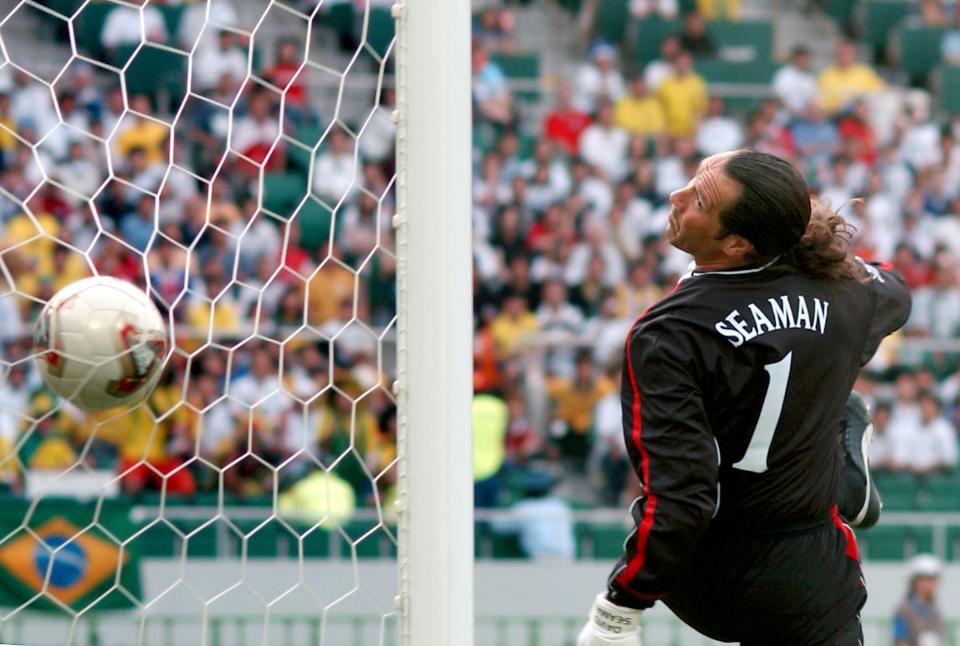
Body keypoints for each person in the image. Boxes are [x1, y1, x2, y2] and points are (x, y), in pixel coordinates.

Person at [576, 150, 912, 645]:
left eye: (698, 199)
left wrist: (619, 609)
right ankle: (841, 475)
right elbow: (897, 292)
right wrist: (814, 250)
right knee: (815, 372)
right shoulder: (848, 293)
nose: (676, 195)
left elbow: (683, 499)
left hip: (711, 579)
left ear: (735, 243)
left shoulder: (669, 332)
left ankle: (841, 468)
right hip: (812, 576)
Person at [893, 554, 948, 646]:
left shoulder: (934, 609)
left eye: (934, 580)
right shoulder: (904, 610)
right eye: (929, 579)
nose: (933, 584)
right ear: (917, 582)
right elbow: (900, 641)